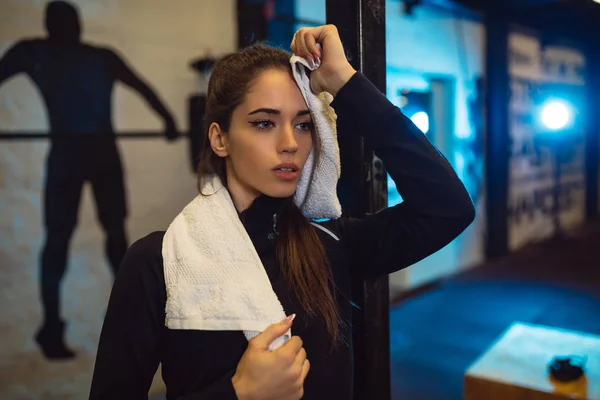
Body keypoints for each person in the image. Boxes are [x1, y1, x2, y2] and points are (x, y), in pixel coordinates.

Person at [89, 25, 475, 399]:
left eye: (304, 125)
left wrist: (345, 84)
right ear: (220, 138)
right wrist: (239, 394)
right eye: (264, 123)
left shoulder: (333, 245)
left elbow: (448, 207)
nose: (290, 143)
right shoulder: (158, 262)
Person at [0, 0, 178, 360]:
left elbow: (142, 88)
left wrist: (169, 121)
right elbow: (143, 89)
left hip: (98, 155)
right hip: (71, 155)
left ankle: (132, 316)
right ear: (52, 26)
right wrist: (168, 120)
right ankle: (52, 326)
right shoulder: (35, 54)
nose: (69, 28)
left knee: (114, 236)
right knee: (61, 239)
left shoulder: (98, 58)